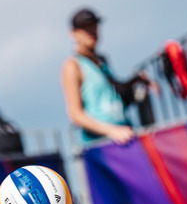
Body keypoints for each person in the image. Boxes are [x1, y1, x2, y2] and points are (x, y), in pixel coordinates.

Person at [60, 8, 145, 145]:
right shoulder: (72, 66)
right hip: (100, 146)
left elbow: (113, 96)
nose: (91, 31)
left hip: (126, 136)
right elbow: (76, 115)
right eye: (85, 28)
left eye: (93, 25)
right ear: (73, 33)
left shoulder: (103, 61)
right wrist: (112, 131)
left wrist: (137, 81)